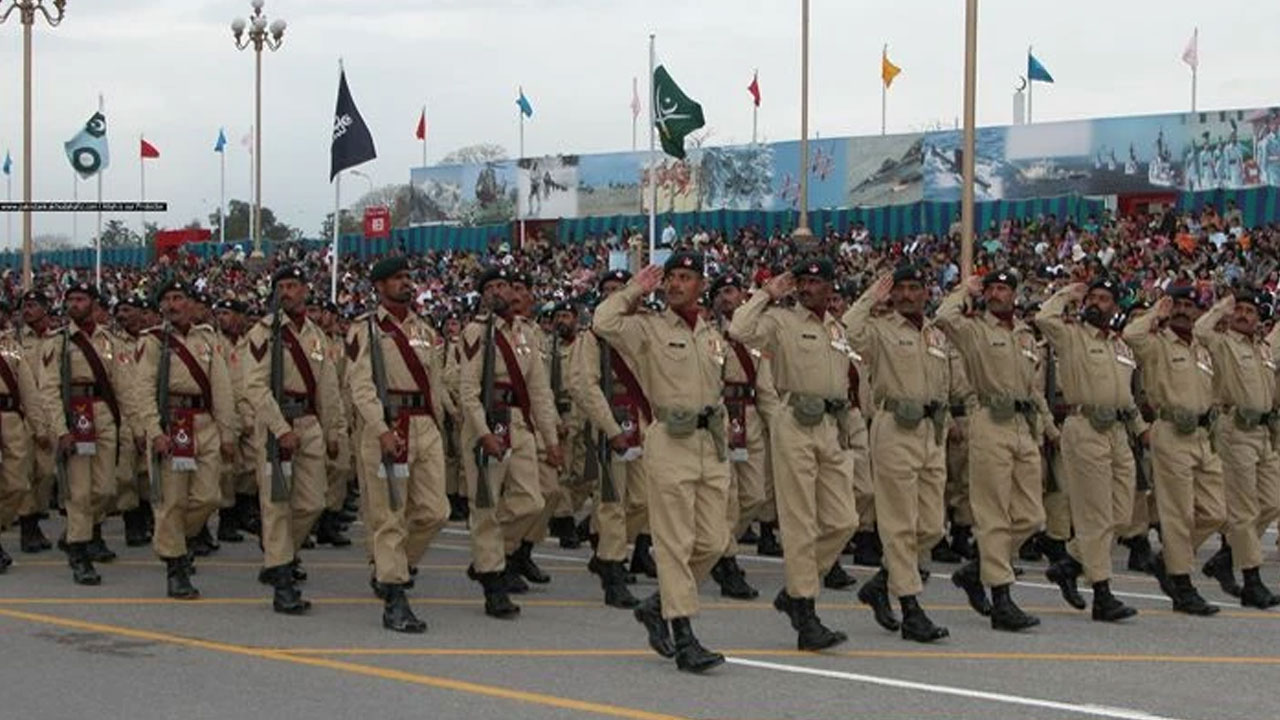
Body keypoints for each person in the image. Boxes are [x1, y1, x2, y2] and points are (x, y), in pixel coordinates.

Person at [594, 252, 729, 673]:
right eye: (670, 278)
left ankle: (657, 606)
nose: (674, 285)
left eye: (685, 278)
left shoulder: (711, 333)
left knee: (714, 541)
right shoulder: (649, 329)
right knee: (674, 543)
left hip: (709, 442)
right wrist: (637, 288)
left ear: (701, 286)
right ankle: (684, 637)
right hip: (670, 440)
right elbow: (604, 322)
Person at [729, 257, 857, 650]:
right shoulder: (781, 321)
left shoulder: (836, 328)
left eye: (814, 282)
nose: (806, 288)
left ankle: (796, 590)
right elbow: (739, 329)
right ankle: (805, 609)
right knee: (800, 520)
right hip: (793, 421)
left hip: (829, 425)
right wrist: (766, 294)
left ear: (830, 287)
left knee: (843, 519)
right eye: (801, 282)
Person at [934, 270, 1045, 631]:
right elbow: (943, 317)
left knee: (1031, 515)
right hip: (989, 421)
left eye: (1003, 289)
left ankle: (977, 568)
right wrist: (963, 291)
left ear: (1014, 294)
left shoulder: (1025, 335)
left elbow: (1033, 388)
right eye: (992, 288)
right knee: (993, 513)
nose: (996, 294)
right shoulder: (974, 329)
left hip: (1022, 426)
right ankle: (1001, 598)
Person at [844, 266, 951, 642]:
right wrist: (871, 297)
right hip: (894, 428)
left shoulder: (935, 335)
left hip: (929, 432)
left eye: (914, 287)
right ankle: (910, 608)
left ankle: (883, 582)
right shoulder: (879, 329)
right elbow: (847, 331)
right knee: (900, 524)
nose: (906, 294)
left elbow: (944, 384)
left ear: (925, 292)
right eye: (900, 289)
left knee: (932, 526)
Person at [345, 256, 450, 632]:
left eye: (408, 278)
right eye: (397, 278)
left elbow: (435, 382)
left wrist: (439, 426)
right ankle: (394, 596)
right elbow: (360, 385)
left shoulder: (425, 329)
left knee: (435, 511)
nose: (406, 283)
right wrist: (379, 428)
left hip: (424, 425)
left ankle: (393, 566)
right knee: (389, 514)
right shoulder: (367, 329)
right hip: (389, 424)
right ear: (378, 287)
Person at [1034, 278, 1144, 622]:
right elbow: (1043, 319)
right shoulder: (1071, 335)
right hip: (1085, 427)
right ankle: (1102, 593)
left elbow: (1125, 394)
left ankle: (1070, 562)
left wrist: (1140, 428)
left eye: (1104, 298)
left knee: (1121, 514)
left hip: (1117, 431)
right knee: (1096, 515)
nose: (1097, 303)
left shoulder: (1120, 345)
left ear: (1115, 306)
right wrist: (1068, 294)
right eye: (1093, 297)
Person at [456, 266, 563, 618]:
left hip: (518, 422)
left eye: (506, 285)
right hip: (488, 420)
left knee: (532, 501)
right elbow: (468, 391)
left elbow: (539, 390)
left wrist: (550, 437)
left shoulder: (524, 334)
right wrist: (482, 432)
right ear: (483, 295)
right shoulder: (475, 332)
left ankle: (488, 554)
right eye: (493, 286)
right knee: (485, 505)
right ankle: (493, 582)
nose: (503, 291)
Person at [243, 266, 343, 615]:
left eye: (293, 285)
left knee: (312, 504)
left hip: (309, 423)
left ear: (305, 290)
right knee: (275, 506)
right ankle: (282, 579)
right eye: (280, 286)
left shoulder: (317, 336)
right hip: (276, 424)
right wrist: (278, 427)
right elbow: (254, 385)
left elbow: (328, 389)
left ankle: (279, 555)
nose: (286, 291)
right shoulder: (264, 332)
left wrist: (333, 431)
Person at [131, 279, 237, 599]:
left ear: (190, 303)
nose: (173, 304)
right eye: (167, 299)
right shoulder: (151, 342)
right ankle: (176, 566)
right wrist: (154, 431)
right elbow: (143, 391)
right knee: (172, 500)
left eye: (179, 298)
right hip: (172, 422)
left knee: (208, 497)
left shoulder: (207, 339)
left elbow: (221, 388)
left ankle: (174, 540)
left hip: (204, 423)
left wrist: (227, 431)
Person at [1120, 286, 1223, 615]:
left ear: (1196, 311)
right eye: (1177, 304)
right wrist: (1156, 312)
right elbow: (1130, 334)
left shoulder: (1202, 349)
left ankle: (1168, 560)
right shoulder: (1157, 343)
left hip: (1201, 435)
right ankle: (1182, 585)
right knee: (1178, 514)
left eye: (1188, 305)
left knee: (1216, 511)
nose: (1182, 310)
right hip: (1171, 432)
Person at [568, 269, 651, 609]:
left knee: (643, 501)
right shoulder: (593, 338)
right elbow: (583, 385)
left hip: (643, 424)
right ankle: (614, 572)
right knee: (613, 503)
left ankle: (605, 549)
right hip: (612, 425)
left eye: (623, 289)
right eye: (610, 291)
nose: (618, 295)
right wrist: (610, 428)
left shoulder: (644, 329)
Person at [1195, 289, 1280, 608]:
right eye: (1239, 310)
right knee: (1244, 511)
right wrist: (1222, 307)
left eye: (1250, 310)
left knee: (1271, 504)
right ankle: (1252, 581)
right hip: (1235, 429)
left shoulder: (1265, 349)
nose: (1244, 314)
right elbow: (1201, 330)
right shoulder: (1223, 343)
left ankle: (1226, 556)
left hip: (1262, 432)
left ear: (1259, 317)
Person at [39, 283, 125, 585]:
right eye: (71, 299)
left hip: (103, 413)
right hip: (75, 414)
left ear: (93, 303)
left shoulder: (108, 341)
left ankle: (78, 532)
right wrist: (60, 429)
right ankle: (79, 554)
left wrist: (128, 425)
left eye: (81, 299)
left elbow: (122, 386)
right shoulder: (58, 342)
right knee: (80, 491)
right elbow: (48, 390)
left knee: (105, 490)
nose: (75, 304)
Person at [707, 273, 777, 601]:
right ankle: (727, 560)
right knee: (728, 496)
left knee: (755, 495)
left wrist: (778, 426)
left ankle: (719, 546)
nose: (725, 297)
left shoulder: (754, 337)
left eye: (731, 291)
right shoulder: (706, 334)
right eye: (720, 292)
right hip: (720, 416)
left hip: (749, 417)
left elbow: (765, 387)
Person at [0, 314, 47, 572]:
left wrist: (39, 426)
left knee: (17, 483)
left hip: (10, 418)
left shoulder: (12, 348)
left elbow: (28, 389)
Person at [16, 290, 55, 553]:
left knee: (47, 472)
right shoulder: (16, 340)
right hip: (24, 413)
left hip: (52, 411)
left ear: (45, 309)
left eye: (32, 306)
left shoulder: (59, 338)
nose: (27, 311)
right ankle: (27, 528)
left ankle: (36, 517)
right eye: (24, 306)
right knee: (26, 472)